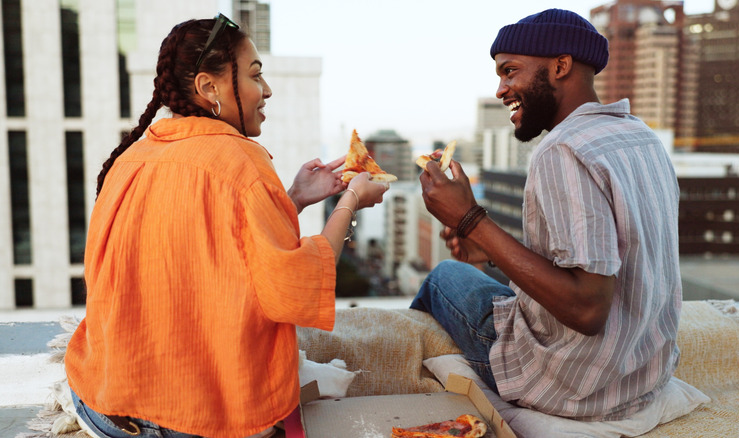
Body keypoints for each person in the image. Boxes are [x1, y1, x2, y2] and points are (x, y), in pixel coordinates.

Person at [64, 14, 387, 438]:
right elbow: (295, 289)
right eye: (255, 76)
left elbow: (210, 244)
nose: (266, 90)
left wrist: (293, 198)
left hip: (102, 404)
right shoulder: (242, 161)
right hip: (191, 420)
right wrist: (351, 200)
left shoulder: (136, 156)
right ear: (208, 87)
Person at [412, 8, 682, 422]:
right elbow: (599, 260)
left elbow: (587, 309)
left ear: (560, 66)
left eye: (510, 71)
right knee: (477, 276)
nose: (501, 89)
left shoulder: (562, 149)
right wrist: (485, 245)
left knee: (443, 277)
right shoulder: (641, 137)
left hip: (573, 384)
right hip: (644, 376)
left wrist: (470, 220)